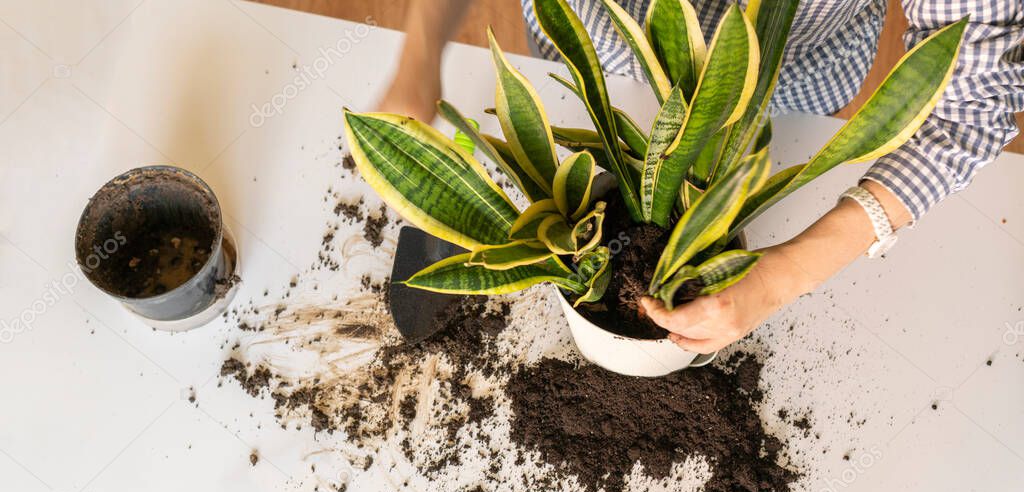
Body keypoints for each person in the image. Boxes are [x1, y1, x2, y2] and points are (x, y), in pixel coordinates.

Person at [376, 0, 1024, 353]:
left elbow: (972, 104)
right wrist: (418, 61)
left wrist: (782, 275)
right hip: (592, 58)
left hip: (784, 90)